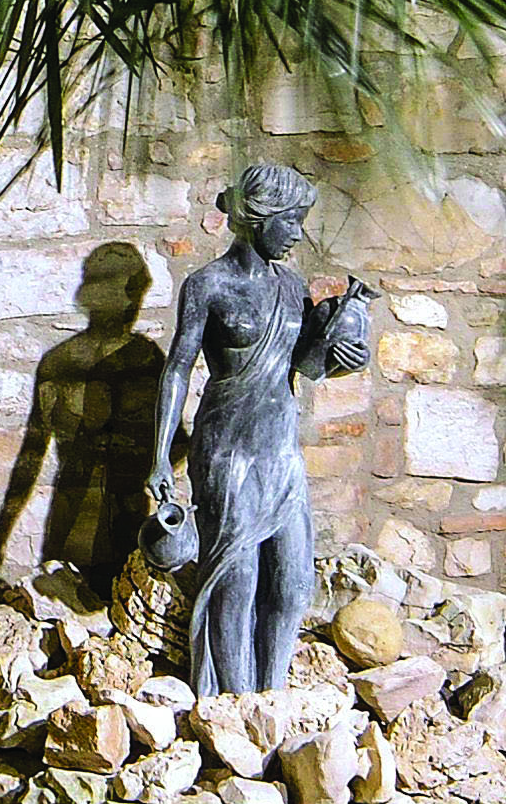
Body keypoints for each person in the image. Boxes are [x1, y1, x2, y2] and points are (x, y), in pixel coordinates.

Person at [150, 159, 377, 698]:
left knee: (294, 583)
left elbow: (304, 365)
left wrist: (339, 355)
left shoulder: (291, 286)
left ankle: (271, 694)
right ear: (258, 217)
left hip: (279, 446)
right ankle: (236, 701)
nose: (298, 234)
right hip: (227, 449)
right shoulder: (208, 285)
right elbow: (178, 368)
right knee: (238, 578)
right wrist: (160, 456)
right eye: (291, 221)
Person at [0, 239, 166, 600]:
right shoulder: (62, 363)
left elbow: (174, 442)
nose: (133, 304)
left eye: (136, 293)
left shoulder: (146, 358)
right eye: (128, 292)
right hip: (75, 522)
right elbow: (30, 459)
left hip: (128, 519)